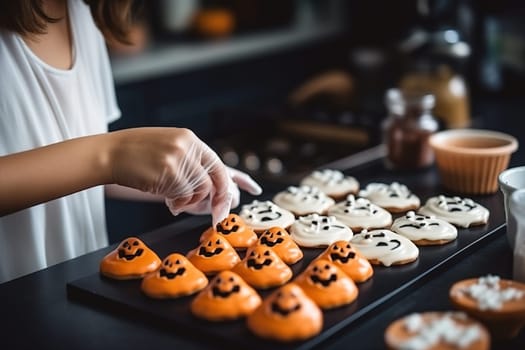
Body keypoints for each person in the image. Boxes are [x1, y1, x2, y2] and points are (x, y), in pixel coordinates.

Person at [0, 0, 262, 283]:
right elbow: (96, 160)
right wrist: (110, 154)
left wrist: (182, 179)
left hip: (77, 286)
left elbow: (80, 174)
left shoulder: (82, 15)